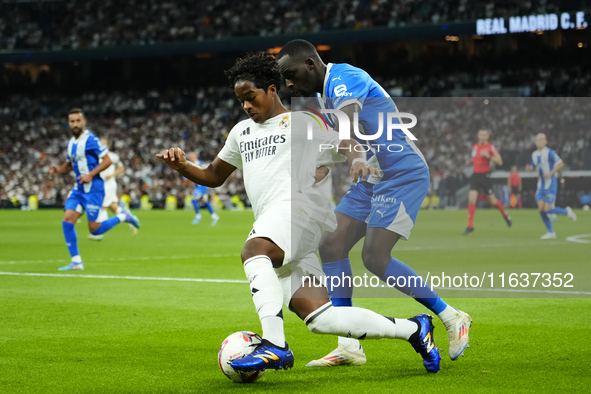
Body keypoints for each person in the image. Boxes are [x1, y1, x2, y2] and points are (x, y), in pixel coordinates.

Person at [157, 52, 442, 375]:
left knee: (254, 251)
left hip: (300, 214)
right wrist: (183, 167)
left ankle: (275, 345)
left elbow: (346, 142)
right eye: (241, 102)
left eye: (251, 97)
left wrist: (357, 158)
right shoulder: (241, 133)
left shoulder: (304, 123)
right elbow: (213, 176)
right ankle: (415, 329)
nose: (247, 107)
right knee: (322, 319)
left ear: (272, 90)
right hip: (278, 225)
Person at [277, 39, 470, 366]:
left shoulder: (342, 79)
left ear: (310, 63)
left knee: (375, 256)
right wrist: (330, 163)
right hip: (373, 175)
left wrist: (355, 157)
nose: (289, 84)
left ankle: (452, 316)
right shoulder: (327, 92)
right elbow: (352, 134)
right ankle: (348, 345)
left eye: (291, 74)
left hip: (401, 172)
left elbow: (350, 124)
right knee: (332, 244)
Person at [49, 109, 140, 270]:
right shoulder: (71, 143)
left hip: (94, 189)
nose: (75, 124)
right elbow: (69, 165)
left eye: (78, 121)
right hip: (79, 188)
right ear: (68, 123)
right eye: (72, 121)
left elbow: (107, 160)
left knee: (95, 230)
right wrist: (58, 171)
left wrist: (90, 174)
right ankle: (76, 261)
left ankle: (123, 216)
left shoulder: (90, 139)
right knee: (67, 220)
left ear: (83, 122)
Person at [525, 133, 577, 239]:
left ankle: (567, 212)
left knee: (548, 209)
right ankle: (551, 232)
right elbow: (533, 168)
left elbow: (560, 164)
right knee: (541, 208)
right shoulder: (534, 154)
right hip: (541, 184)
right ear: (535, 142)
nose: (539, 141)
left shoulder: (549, 152)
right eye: (537, 140)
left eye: (541, 139)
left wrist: (551, 173)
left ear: (545, 141)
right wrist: (529, 169)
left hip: (551, 183)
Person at [463, 129, 512, 235]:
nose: (483, 137)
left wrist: (489, 156)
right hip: (475, 175)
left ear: (487, 136)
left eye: (485, 135)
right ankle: (470, 226)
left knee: (492, 201)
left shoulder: (490, 147)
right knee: (471, 200)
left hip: (485, 176)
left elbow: (499, 161)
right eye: (481, 135)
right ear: (478, 135)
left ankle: (505, 214)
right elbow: (476, 159)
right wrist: (471, 162)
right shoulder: (475, 146)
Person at [88, 137, 138, 240]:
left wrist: (112, 175)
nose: (101, 145)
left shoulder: (112, 156)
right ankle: (131, 219)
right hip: (101, 184)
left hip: (109, 185)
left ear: (108, 146)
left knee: (103, 207)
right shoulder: (96, 156)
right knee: (113, 207)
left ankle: (99, 234)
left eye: (104, 143)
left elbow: (121, 167)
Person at [187, 152, 220, 226]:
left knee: (193, 199)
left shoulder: (201, 164)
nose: (191, 158)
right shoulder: (190, 165)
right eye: (190, 157)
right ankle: (214, 216)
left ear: (195, 156)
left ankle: (198, 216)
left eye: (192, 156)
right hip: (198, 186)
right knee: (205, 201)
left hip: (202, 186)